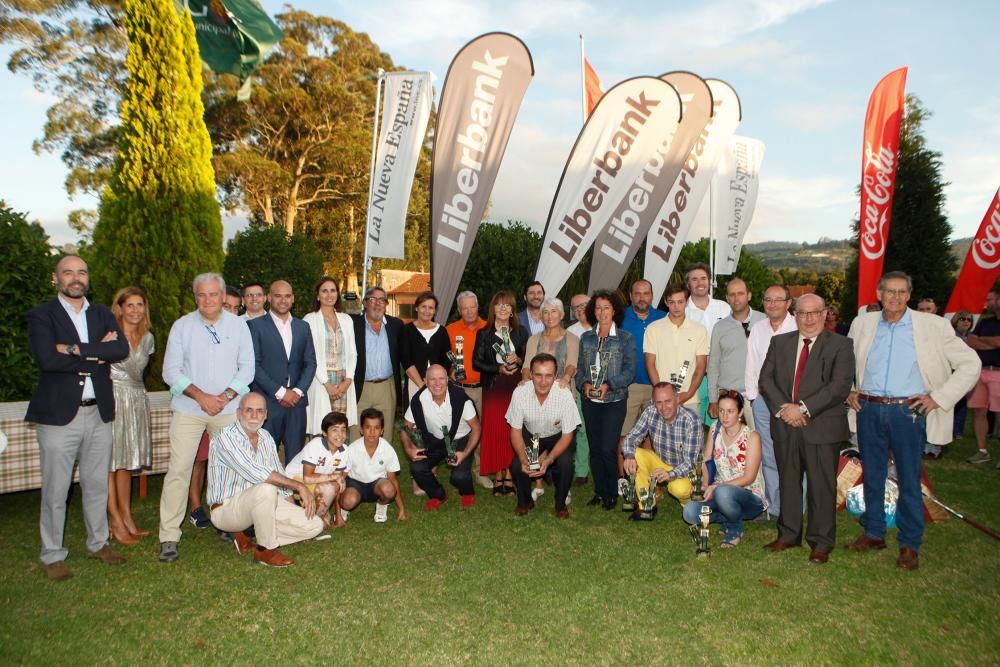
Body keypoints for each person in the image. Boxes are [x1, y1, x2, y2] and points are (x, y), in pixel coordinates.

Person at [845, 272, 980, 570]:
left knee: (909, 478)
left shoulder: (934, 326)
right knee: (873, 475)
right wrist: (848, 391)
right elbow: (846, 362)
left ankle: (909, 544)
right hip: (869, 409)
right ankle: (874, 532)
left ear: (909, 295)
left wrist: (940, 397)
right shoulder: (862, 324)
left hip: (908, 412)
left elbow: (971, 364)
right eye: (889, 291)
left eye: (901, 292)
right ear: (879, 294)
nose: (895, 297)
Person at [26, 255, 129, 581]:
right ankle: (53, 554)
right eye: (68, 272)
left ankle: (98, 543)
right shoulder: (42, 315)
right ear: (56, 278)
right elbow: (47, 359)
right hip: (59, 417)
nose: (75, 278)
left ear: (88, 277)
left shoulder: (100, 313)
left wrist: (72, 349)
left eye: (81, 272)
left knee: (97, 485)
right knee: (56, 491)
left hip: (98, 414)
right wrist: (96, 351)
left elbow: (120, 350)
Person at [159, 272, 254, 563]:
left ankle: (229, 524)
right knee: (179, 470)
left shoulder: (238, 326)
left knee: (231, 470)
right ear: (195, 297)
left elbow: (247, 368)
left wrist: (223, 397)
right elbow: (170, 372)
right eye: (202, 294)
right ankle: (169, 536)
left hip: (226, 410)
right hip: (189, 409)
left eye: (214, 294)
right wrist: (201, 397)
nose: (208, 300)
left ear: (223, 296)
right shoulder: (182, 326)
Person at [758, 293, 854, 564]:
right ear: (795, 314)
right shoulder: (780, 343)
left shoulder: (841, 345)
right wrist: (785, 409)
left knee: (821, 485)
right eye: (803, 312)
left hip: (821, 426)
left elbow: (839, 387)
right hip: (785, 425)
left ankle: (821, 541)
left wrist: (802, 409)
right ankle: (788, 534)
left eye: (815, 312)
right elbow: (765, 379)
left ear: (825, 314)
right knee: (787, 480)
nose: (809, 318)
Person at [207, 393, 324, 567]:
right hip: (227, 509)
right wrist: (300, 487)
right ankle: (265, 550)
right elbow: (259, 473)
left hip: (262, 502)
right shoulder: (225, 437)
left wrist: (291, 508)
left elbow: (279, 476)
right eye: (249, 410)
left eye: (260, 411)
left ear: (266, 415)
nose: (254, 416)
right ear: (239, 413)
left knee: (314, 525)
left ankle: (248, 533)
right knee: (266, 488)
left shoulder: (266, 438)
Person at [682, 391, 766, 546]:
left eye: (730, 411)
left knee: (723, 492)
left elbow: (749, 477)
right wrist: (706, 485)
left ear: (740, 412)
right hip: (717, 490)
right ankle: (728, 516)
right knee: (690, 512)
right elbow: (707, 459)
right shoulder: (714, 429)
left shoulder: (752, 436)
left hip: (749, 496)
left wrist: (717, 487)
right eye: (721, 411)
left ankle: (735, 528)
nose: (724, 416)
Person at [577, 289, 635, 510]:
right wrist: (585, 385)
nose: (602, 312)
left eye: (606, 308)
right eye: (598, 308)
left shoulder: (625, 338)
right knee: (594, 447)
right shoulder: (586, 338)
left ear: (614, 311)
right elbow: (580, 370)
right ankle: (600, 492)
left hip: (614, 400)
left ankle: (612, 493)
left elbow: (629, 371)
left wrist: (609, 384)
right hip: (590, 401)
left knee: (608, 448)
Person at [247, 280, 317, 464]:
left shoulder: (303, 327)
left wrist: (297, 392)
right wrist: (280, 392)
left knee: (295, 460)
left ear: (293, 299)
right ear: (269, 298)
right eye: (278, 295)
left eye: (287, 296)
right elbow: (254, 365)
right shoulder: (255, 326)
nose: (283, 300)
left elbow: (310, 363)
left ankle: (292, 493)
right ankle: (266, 494)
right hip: (268, 403)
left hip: (297, 404)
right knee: (264, 458)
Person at [107, 286, 155, 545]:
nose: (135, 310)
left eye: (140, 305)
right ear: (120, 308)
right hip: (112, 398)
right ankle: (114, 520)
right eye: (130, 305)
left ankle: (126, 516)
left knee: (126, 461)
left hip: (136, 398)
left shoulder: (148, 338)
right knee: (110, 461)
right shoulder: (109, 335)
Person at [744, 284, 797, 518]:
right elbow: (751, 364)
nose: (772, 304)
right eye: (768, 299)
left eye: (778, 299)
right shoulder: (757, 329)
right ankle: (775, 507)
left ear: (788, 303)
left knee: (796, 454)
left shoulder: (799, 326)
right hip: (763, 402)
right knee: (769, 455)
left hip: (794, 402)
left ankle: (797, 506)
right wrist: (753, 397)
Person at [507, 354, 580, 517]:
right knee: (518, 466)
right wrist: (523, 457)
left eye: (548, 376)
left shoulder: (564, 395)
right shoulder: (520, 393)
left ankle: (560, 504)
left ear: (555, 376)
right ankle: (524, 501)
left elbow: (568, 434)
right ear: (531, 375)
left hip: (558, 436)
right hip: (532, 435)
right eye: (538, 375)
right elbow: (516, 431)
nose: (543, 381)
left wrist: (549, 459)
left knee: (566, 464)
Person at [400, 365, 481, 509]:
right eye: (432, 379)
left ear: (448, 380)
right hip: (435, 441)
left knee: (459, 476)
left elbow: (476, 428)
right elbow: (406, 427)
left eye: (441, 379)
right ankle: (439, 495)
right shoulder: (418, 399)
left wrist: (465, 453)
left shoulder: (460, 398)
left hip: (460, 440)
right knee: (417, 468)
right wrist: (408, 449)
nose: (437, 384)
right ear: (425, 381)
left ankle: (467, 492)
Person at [522, 297, 579, 502]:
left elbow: (572, 364)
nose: (550, 316)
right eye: (546, 312)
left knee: (564, 443)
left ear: (562, 315)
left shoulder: (572, 338)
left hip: (562, 395)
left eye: (554, 311)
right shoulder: (533, 339)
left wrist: (565, 377)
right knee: (535, 438)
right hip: (536, 397)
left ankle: (563, 484)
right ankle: (537, 483)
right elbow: (527, 366)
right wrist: (525, 380)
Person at [473, 290, 528, 497]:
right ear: (493, 309)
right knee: (495, 431)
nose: (503, 309)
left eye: (507, 305)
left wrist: (520, 360)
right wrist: (498, 369)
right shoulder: (484, 333)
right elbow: (476, 362)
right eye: (499, 305)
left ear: (513, 310)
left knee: (513, 430)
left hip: (516, 388)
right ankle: (498, 476)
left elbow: (528, 358)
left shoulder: (521, 332)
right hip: (494, 388)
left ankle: (511, 476)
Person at [621, 383, 701, 520]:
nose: (663, 407)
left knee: (679, 489)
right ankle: (647, 506)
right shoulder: (650, 411)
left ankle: (689, 505)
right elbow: (631, 438)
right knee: (635, 454)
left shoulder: (691, 419)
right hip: (660, 461)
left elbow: (690, 462)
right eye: (659, 402)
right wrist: (628, 456)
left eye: (668, 401)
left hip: (684, 467)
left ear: (677, 399)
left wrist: (671, 474)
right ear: (653, 402)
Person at [618, 279, 667, 482]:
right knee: (624, 432)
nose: (641, 298)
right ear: (630, 295)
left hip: (657, 385)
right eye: (637, 293)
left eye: (646, 293)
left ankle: (647, 478)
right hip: (630, 386)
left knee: (652, 435)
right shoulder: (620, 318)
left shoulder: (663, 318)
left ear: (652, 295)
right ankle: (622, 478)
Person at [445, 290, 491, 489]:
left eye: (472, 307)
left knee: (481, 430)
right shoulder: (450, 330)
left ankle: (480, 470)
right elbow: (444, 356)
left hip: (483, 390)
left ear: (478, 307)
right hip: (459, 389)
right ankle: (458, 464)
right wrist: (450, 370)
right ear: (459, 310)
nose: (469, 311)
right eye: (465, 308)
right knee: (457, 430)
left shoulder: (489, 327)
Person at [303, 277, 358, 436]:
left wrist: (348, 380)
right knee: (322, 428)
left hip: (343, 381)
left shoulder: (346, 319)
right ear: (317, 295)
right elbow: (310, 355)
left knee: (340, 429)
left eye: (333, 290)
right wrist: (326, 383)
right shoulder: (310, 319)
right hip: (320, 380)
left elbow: (353, 352)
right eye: (324, 291)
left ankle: (338, 461)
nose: (329, 295)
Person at [644, 284, 708, 417]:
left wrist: (688, 393)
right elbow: (650, 364)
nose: (676, 306)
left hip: (689, 400)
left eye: (680, 302)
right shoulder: (653, 329)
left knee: (690, 438)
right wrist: (664, 396)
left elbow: (701, 366)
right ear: (666, 302)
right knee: (660, 438)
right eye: (672, 302)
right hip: (661, 401)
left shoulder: (699, 330)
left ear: (686, 302)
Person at [706, 278, 764, 423]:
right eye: (732, 294)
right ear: (727, 298)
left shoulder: (764, 321)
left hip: (757, 398)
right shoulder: (720, 327)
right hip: (729, 397)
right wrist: (713, 399)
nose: (736, 298)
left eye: (740, 293)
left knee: (758, 442)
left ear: (749, 295)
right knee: (729, 444)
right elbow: (713, 365)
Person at [351, 286, 403, 442]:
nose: (377, 303)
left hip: (386, 388)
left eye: (382, 300)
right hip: (360, 386)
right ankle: (355, 466)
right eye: (373, 299)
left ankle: (382, 466)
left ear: (386, 304)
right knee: (356, 434)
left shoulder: (396, 325)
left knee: (385, 435)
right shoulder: (353, 324)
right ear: (365, 303)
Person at [284, 411, 352, 529]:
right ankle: (310, 524)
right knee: (328, 488)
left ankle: (316, 518)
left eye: (343, 430)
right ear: (324, 433)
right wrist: (334, 477)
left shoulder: (344, 450)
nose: (340, 434)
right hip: (294, 480)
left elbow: (338, 485)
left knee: (334, 486)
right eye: (335, 430)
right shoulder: (315, 445)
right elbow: (307, 477)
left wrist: (338, 515)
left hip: (316, 482)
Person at [341, 408, 408, 522]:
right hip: (355, 484)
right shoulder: (352, 449)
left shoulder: (387, 449)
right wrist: (338, 513)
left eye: (376, 428)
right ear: (361, 430)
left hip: (376, 485)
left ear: (382, 431)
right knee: (348, 501)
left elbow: (393, 480)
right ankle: (345, 509)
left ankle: (381, 505)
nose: (372, 432)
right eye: (368, 427)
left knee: (389, 490)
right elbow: (340, 479)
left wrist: (402, 509)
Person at [964, 288, 1000, 466]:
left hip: (998, 373)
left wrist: (984, 341)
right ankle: (982, 450)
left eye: (991, 300)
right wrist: (992, 342)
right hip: (980, 371)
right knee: (979, 411)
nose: (987, 303)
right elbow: (971, 341)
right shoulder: (985, 322)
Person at [400, 291, 452, 401]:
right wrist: (421, 385)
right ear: (416, 308)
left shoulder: (442, 331)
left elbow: (447, 359)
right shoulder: (407, 330)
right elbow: (406, 360)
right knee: (415, 416)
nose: (427, 311)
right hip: (415, 383)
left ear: (435, 311)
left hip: (438, 385)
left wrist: (437, 381)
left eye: (431, 308)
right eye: (423, 306)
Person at [565, 293, 593, 484]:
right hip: (577, 387)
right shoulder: (570, 332)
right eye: (576, 307)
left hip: (603, 389)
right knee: (580, 428)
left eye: (584, 305)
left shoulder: (604, 326)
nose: (580, 309)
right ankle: (581, 470)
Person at [946, 310, 974, 443]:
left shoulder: (972, 336)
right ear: (956, 320)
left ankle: (958, 431)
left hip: (967, 375)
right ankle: (948, 431)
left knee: (962, 404)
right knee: (951, 403)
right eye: (962, 319)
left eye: (969, 319)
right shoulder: (951, 336)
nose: (966, 322)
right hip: (951, 374)